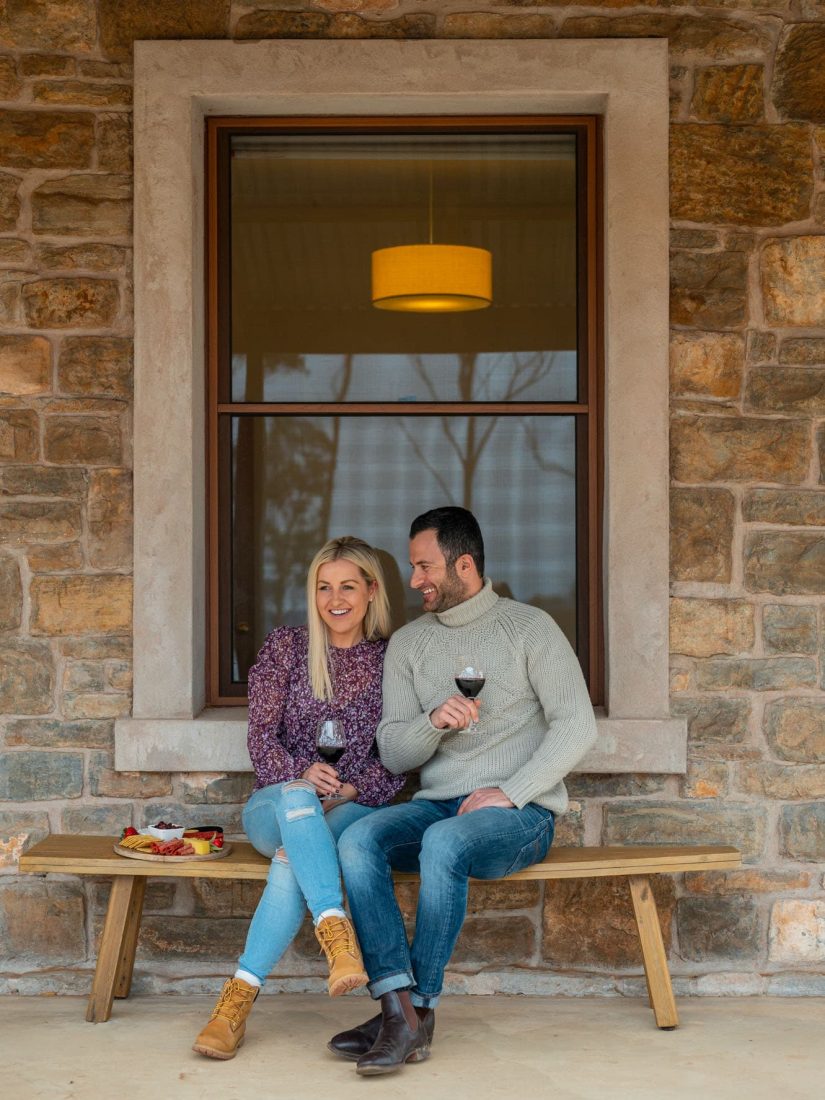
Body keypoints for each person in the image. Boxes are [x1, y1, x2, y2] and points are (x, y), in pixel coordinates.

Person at [329, 507, 597, 1076]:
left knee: (446, 842)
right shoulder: (409, 644)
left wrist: (513, 789)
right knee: (357, 841)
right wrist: (433, 722)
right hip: (439, 807)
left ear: (465, 565)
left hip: (519, 816)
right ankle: (398, 1009)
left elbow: (577, 725)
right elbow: (394, 752)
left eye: (424, 567)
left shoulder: (530, 628)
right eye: (413, 567)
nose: (414, 580)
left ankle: (417, 1011)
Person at [193, 536, 406, 1060]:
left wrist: (352, 788)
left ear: (371, 591)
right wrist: (302, 774)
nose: (336, 599)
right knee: (297, 801)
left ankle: (232, 1009)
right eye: (323, 587)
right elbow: (260, 738)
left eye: (348, 586)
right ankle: (334, 924)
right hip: (276, 805)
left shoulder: (392, 660)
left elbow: (400, 754)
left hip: (348, 808)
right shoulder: (285, 647)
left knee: (293, 861)